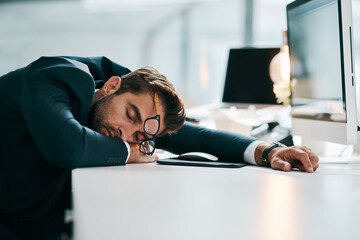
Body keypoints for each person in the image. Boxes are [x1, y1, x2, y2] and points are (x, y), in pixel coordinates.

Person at [0, 56, 319, 240]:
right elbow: (67, 147)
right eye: (130, 117)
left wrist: (266, 151)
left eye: (139, 134)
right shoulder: (56, 77)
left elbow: (195, 138)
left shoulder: (132, 98)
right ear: (111, 86)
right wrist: (130, 152)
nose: (126, 134)